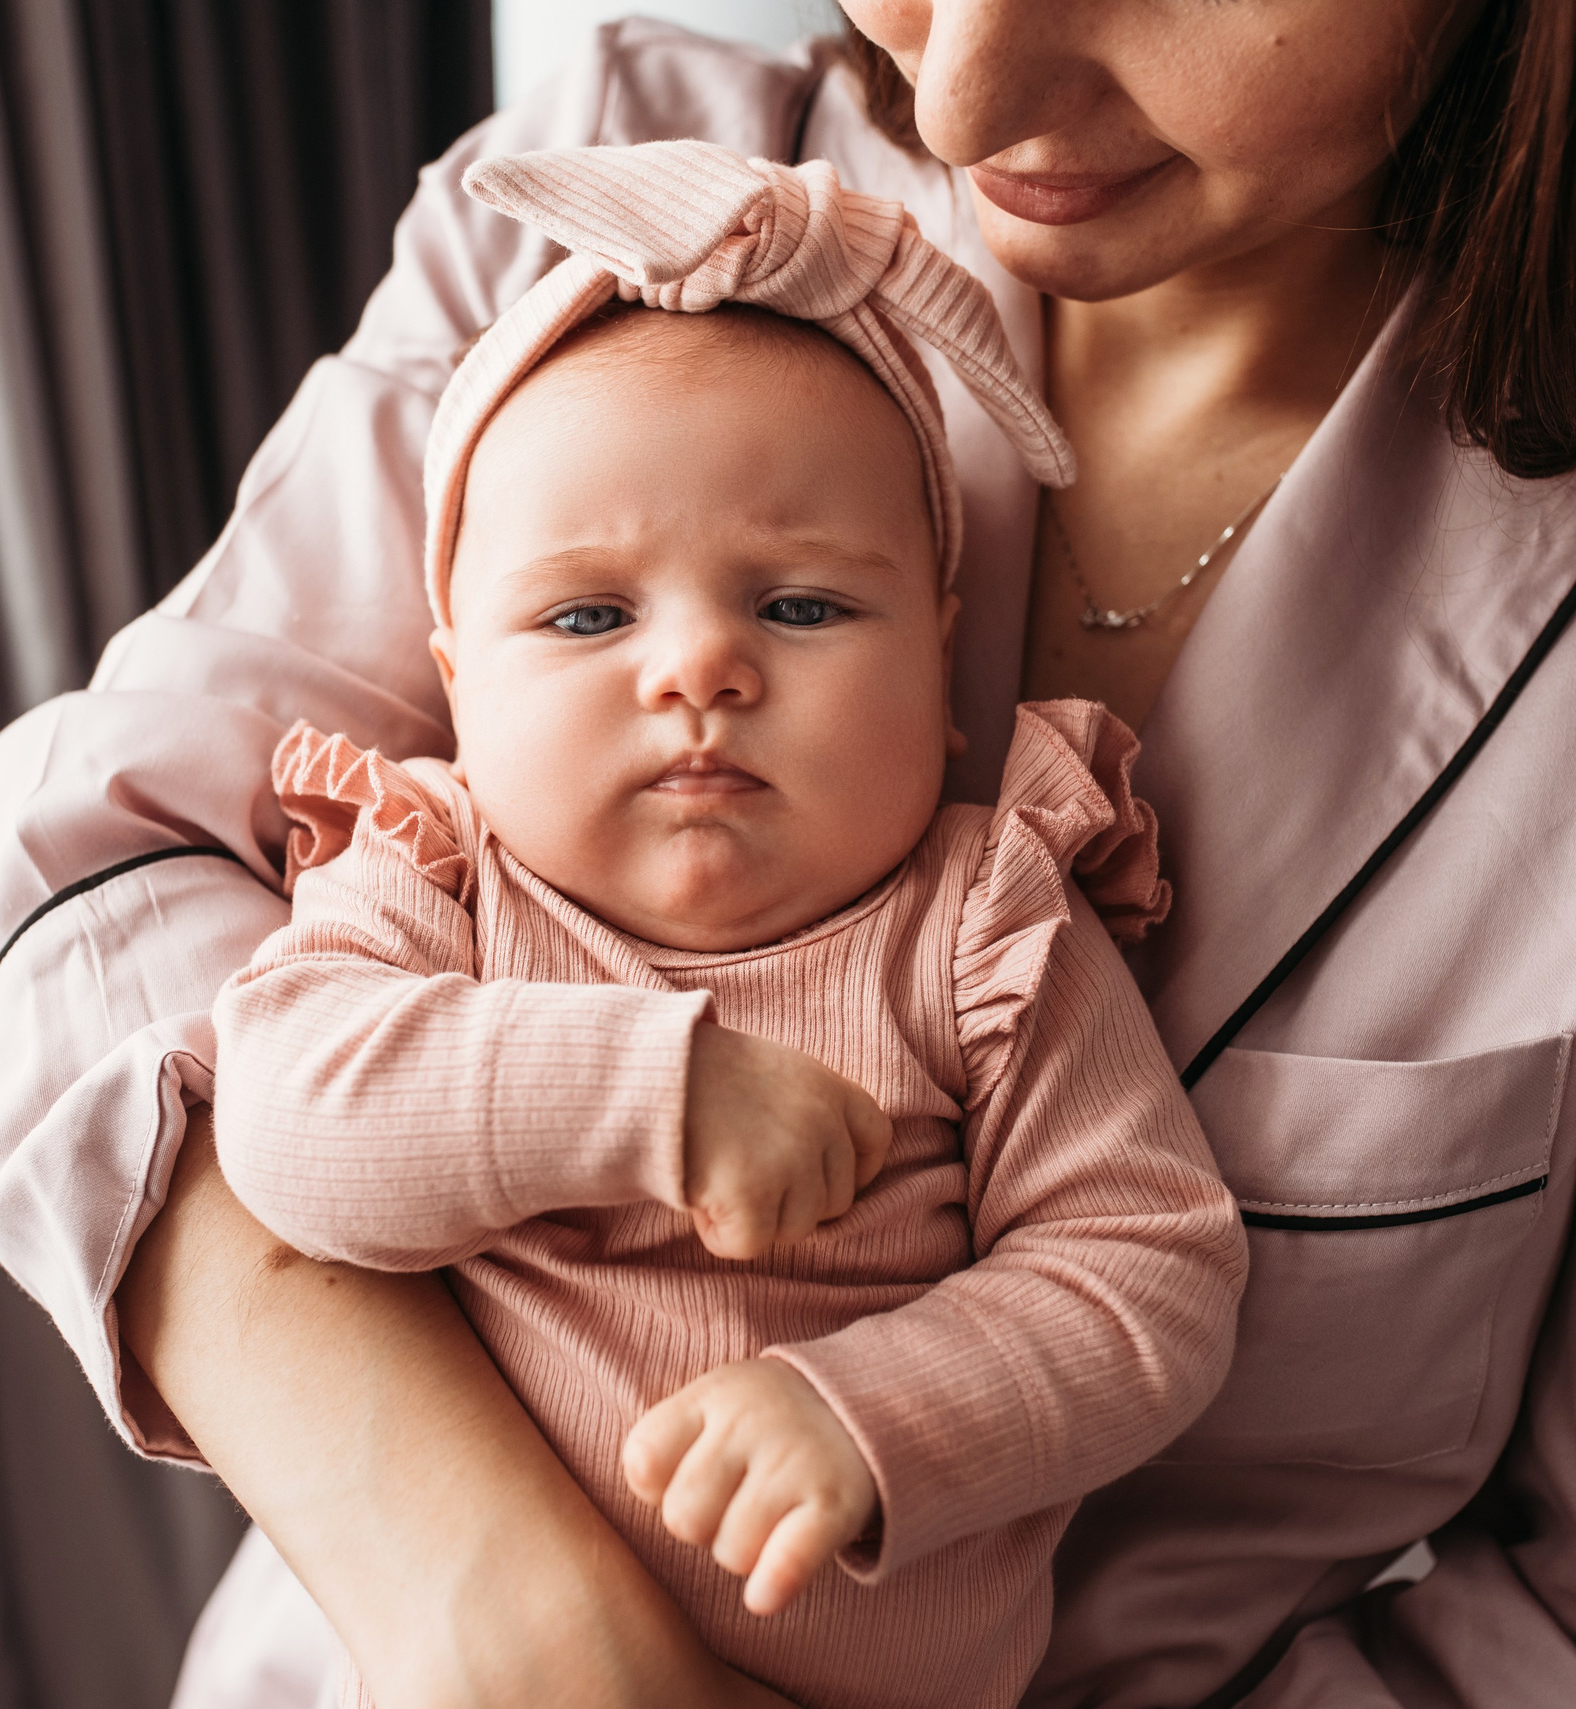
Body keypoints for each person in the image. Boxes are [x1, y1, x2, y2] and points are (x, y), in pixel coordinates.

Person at [0, 6, 1576, 1705]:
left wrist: (895, 1421)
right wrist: (511, 1613)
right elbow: (97, 889)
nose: (966, 91)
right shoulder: (627, 204)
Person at [206, 138, 1246, 1709]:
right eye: (588, 614)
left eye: (801, 605)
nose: (698, 667)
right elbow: (283, 1120)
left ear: (942, 662)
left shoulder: (984, 926)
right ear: (457, 682)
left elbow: (1147, 1269)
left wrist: (873, 1410)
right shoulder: (442, 881)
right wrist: (648, 1092)